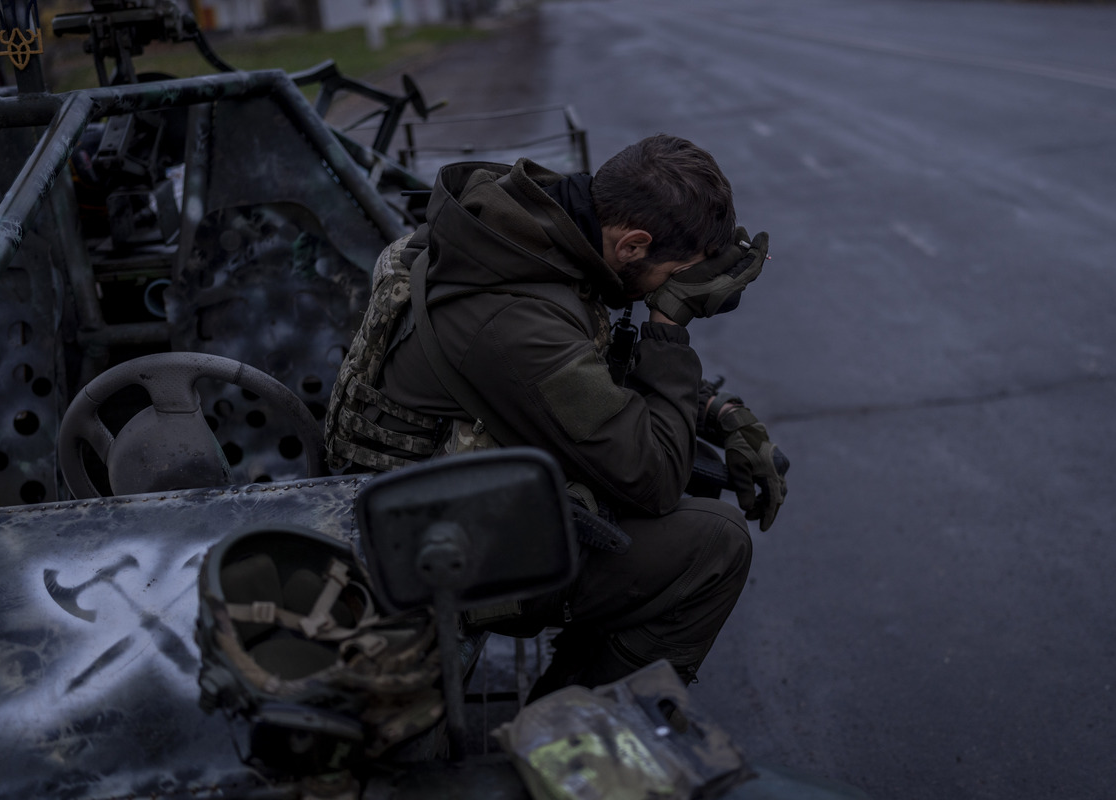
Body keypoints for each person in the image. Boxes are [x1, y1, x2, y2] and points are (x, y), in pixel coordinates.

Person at [325, 133, 788, 695]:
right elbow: (654, 480)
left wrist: (716, 410)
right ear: (633, 244)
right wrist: (670, 329)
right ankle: (583, 742)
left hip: (428, 499)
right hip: (430, 552)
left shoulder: (519, 234)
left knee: (693, 469)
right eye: (676, 280)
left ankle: (572, 685)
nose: (674, 294)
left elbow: (581, 377)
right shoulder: (514, 313)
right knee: (717, 543)